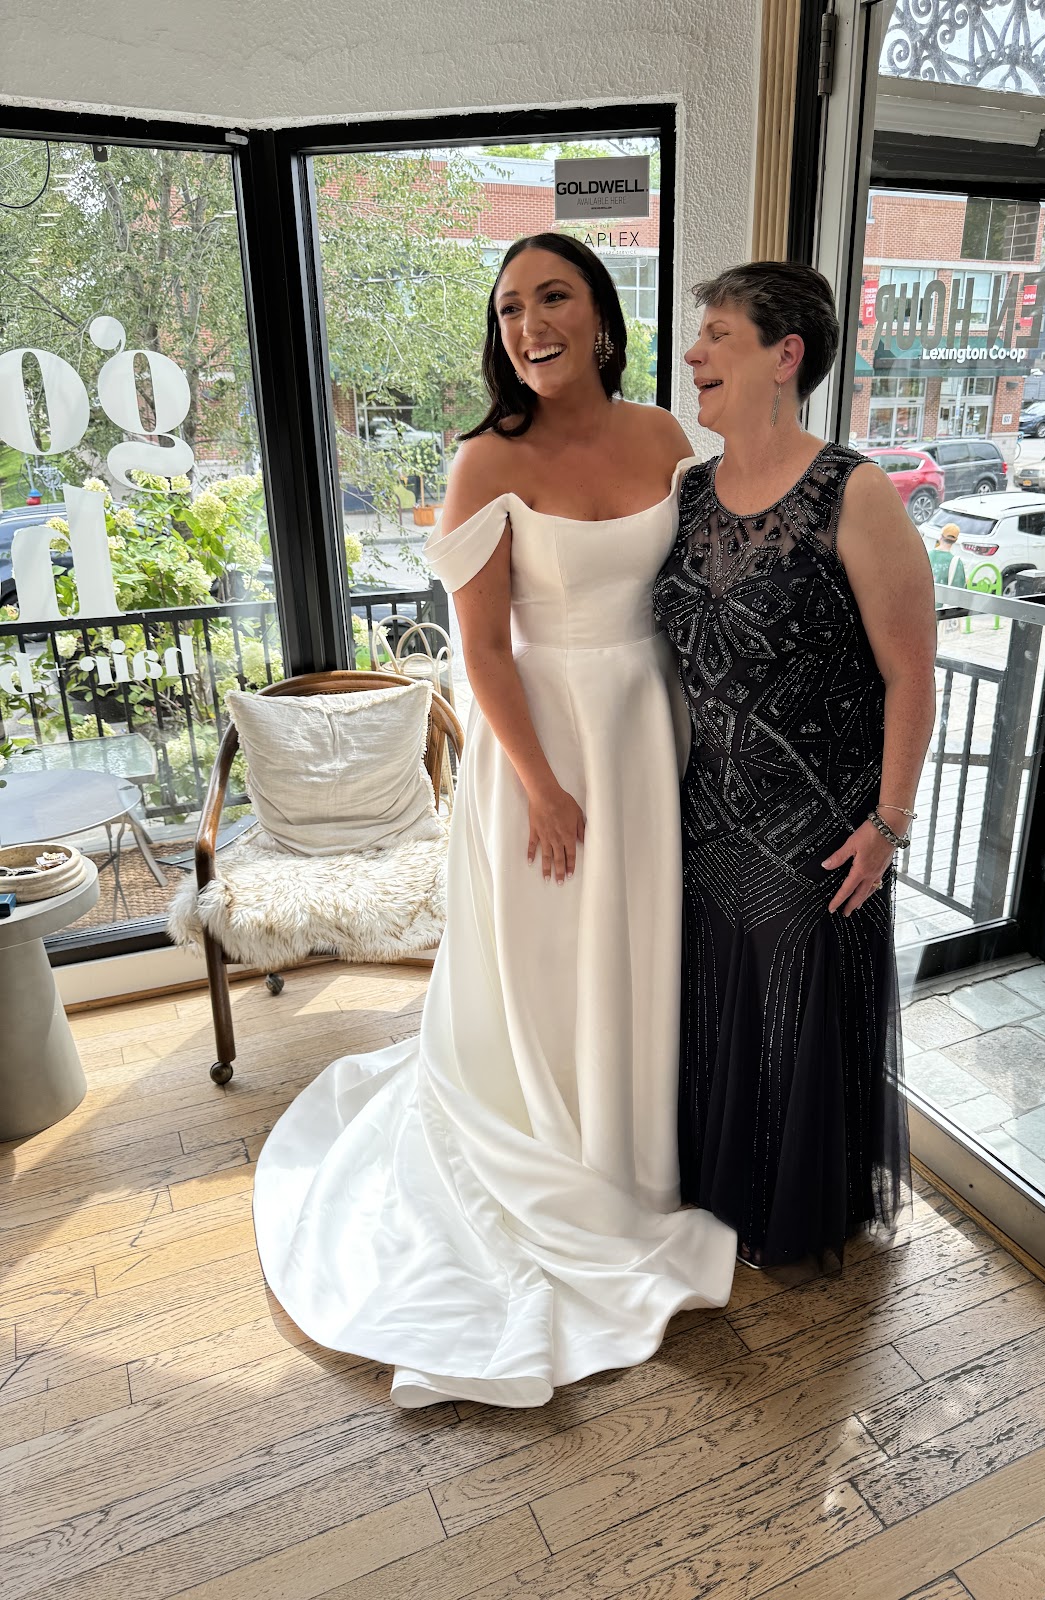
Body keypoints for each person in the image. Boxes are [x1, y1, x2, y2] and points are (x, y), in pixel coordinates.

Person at [252, 234, 737, 1409]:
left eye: (552, 297)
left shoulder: (665, 438)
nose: (529, 325)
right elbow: (479, 651)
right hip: (542, 744)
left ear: (601, 316)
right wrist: (543, 785)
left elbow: (701, 591)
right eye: (511, 308)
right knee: (552, 957)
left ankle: (637, 1149)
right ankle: (564, 1152)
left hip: (646, 728)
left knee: (636, 945)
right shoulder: (485, 460)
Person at [652, 261, 936, 1273]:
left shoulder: (854, 493)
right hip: (705, 819)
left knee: (795, 1033)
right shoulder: (688, 492)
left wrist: (890, 824)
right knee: (716, 1018)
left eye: (717, 336)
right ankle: (715, 1192)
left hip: (818, 833)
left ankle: (798, 1216)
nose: (694, 354)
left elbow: (911, 674)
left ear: (786, 356)